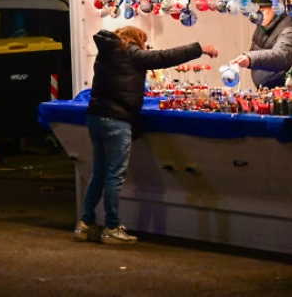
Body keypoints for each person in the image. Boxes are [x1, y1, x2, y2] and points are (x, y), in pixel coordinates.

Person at [76, 25, 218, 244]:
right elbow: (163, 57)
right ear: (136, 40)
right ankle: (112, 227)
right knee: (114, 175)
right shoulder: (130, 53)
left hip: (95, 117)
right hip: (117, 120)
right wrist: (200, 48)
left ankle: (85, 224)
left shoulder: (105, 53)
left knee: (99, 173)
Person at [231, 0, 292, 88]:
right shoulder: (263, 25)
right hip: (269, 91)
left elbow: (282, 55)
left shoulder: (291, 26)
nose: (258, 16)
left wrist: (250, 59)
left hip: (291, 92)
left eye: (262, 11)